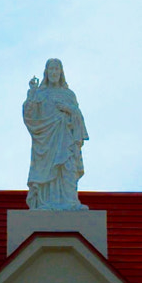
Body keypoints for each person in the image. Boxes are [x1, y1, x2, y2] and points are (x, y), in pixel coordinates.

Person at [23, 59, 88, 210]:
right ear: (46, 72)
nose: (53, 72)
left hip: (65, 139)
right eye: (51, 69)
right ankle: (45, 203)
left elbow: (78, 116)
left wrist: (69, 109)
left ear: (61, 72)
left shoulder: (69, 95)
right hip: (46, 142)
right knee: (48, 170)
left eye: (56, 69)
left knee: (67, 167)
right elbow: (30, 116)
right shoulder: (40, 94)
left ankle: (70, 202)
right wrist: (32, 93)